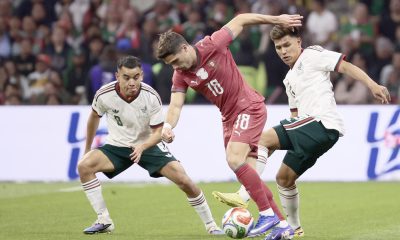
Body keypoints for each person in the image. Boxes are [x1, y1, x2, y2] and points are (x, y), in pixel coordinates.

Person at [212, 25, 391, 239]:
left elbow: (345, 67)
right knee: (284, 179)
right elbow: (295, 116)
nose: (283, 51)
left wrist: (372, 85)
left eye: (287, 45)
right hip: (310, 131)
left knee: (259, 139)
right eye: (278, 47)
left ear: (299, 42)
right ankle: (294, 230)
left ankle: (244, 194)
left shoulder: (313, 54)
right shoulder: (289, 79)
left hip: (321, 124)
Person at [157, 13, 303, 239]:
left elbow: (241, 19)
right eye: (170, 65)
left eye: (175, 61)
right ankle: (283, 226)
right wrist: (168, 125)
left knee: (234, 158)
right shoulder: (180, 74)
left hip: (249, 107)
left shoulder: (213, 44)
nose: (175, 67)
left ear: (185, 48)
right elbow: (175, 106)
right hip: (229, 118)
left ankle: (267, 215)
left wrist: (276, 20)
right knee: (249, 175)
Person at [77, 56, 223, 235]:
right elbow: (93, 118)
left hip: (149, 144)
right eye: (126, 77)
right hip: (117, 145)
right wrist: (87, 149)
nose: (132, 82)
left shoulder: (151, 96)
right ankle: (104, 220)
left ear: (142, 75)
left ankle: (211, 226)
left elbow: (157, 133)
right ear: (117, 76)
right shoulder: (103, 94)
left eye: (136, 77)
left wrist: (143, 147)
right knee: (84, 166)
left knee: (184, 180)